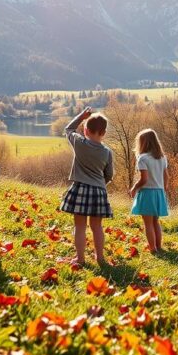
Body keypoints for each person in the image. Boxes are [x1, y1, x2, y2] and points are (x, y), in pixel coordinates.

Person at [59, 106, 114, 266]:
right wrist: (101, 184)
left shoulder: (79, 143)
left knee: (80, 226)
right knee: (97, 227)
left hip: (81, 189)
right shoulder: (107, 152)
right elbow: (109, 174)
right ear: (103, 133)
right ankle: (100, 258)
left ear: (85, 130)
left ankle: (81, 258)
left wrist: (82, 116)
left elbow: (68, 129)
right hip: (99, 191)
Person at [128, 128, 169, 253]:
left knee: (148, 223)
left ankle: (152, 248)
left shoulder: (143, 158)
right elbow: (166, 176)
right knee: (155, 221)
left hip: (147, 193)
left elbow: (144, 179)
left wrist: (134, 188)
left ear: (143, 143)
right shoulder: (162, 158)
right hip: (159, 192)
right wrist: (163, 189)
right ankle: (158, 246)